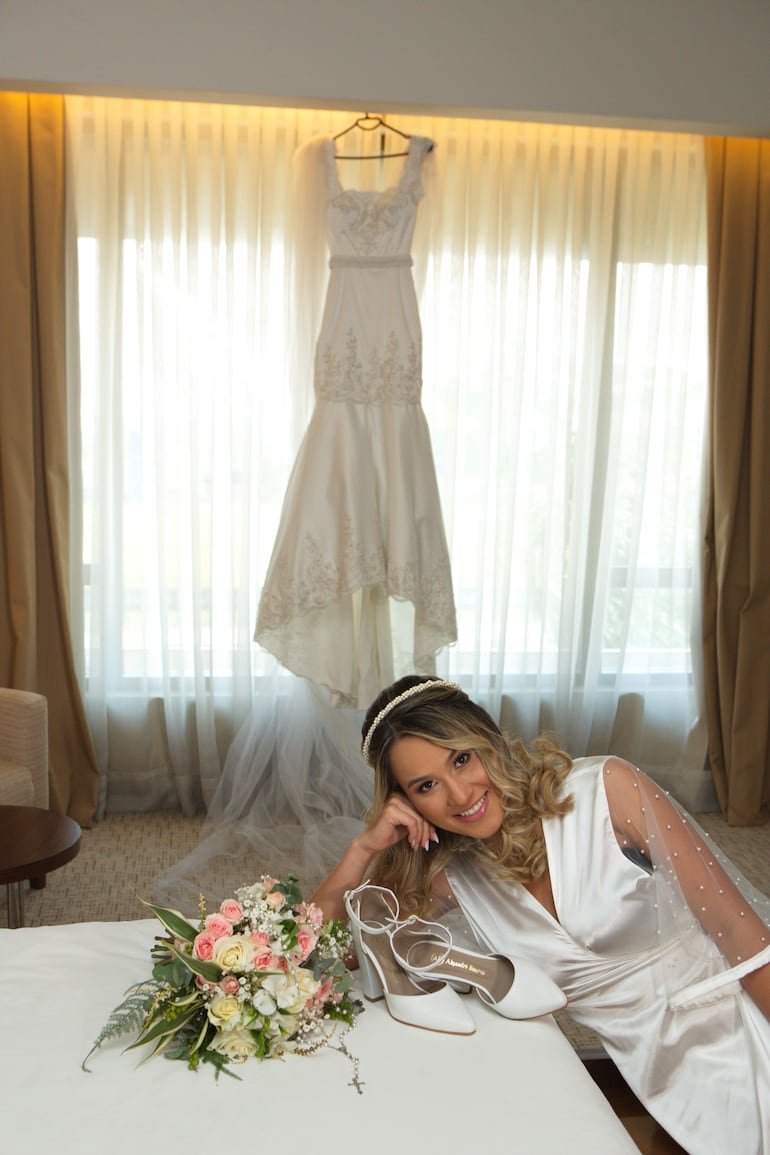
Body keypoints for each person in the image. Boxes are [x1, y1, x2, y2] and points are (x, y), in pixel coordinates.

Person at [313, 675, 770, 1155]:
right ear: (406, 802)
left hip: (742, 1031)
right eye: (427, 785)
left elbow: (739, 928)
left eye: (462, 760)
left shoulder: (606, 791)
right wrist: (362, 850)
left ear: (487, 739)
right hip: (660, 1083)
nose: (460, 795)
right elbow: (322, 956)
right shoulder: (453, 878)